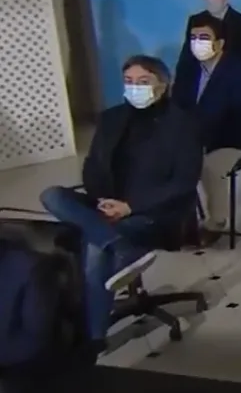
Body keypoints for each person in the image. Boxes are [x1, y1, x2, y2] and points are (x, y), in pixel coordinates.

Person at [39, 56, 202, 343]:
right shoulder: (112, 118)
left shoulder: (183, 124)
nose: (134, 87)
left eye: (143, 82)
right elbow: (93, 166)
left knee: (95, 247)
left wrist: (130, 207)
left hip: (154, 213)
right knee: (52, 195)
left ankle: (94, 338)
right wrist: (102, 199)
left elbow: (184, 182)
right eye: (129, 81)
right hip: (109, 203)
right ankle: (119, 245)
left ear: (163, 85)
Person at [170, 14, 241, 244]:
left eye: (204, 37)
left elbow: (237, 117)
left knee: (209, 166)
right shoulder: (188, 69)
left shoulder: (237, 71)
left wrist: (199, 139)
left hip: (232, 140)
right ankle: (181, 221)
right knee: (169, 160)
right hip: (195, 137)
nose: (197, 43)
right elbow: (177, 106)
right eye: (193, 37)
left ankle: (216, 221)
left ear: (219, 43)